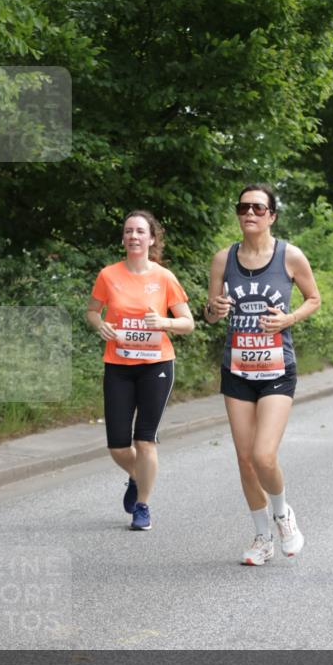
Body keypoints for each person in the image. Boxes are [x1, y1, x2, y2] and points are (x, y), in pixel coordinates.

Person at [205, 184, 320, 565]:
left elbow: (314, 299)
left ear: (272, 215)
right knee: (244, 458)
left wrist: (289, 318)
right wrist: (214, 309)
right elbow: (210, 311)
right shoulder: (224, 259)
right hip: (236, 368)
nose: (249, 213)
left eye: (258, 207)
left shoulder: (290, 256)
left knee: (263, 455)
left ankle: (284, 515)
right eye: (243, 207)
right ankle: (261, 537)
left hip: (276, 368)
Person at [86, 210, 194, 531]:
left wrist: (164, 322)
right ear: (124, 238)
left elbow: (187, 323)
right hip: (118, 367)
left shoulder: (164, 277)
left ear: (151, 239)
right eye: (128, 231)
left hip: (156, 367)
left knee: (145, 441)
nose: (134, 236)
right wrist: (100, 325)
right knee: (118, 446)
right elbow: (92, 311)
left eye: (140, 231)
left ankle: (143, 506)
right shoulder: (109, 275)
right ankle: (137, 476)